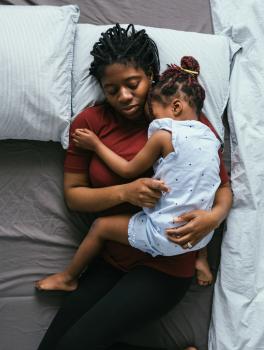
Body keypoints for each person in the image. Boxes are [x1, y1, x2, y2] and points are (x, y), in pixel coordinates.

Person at [36, 24, 232, 350]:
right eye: (112, 90)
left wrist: (214, 218)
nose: (124, 96)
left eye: (133, 84)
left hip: (166, 265)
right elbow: (74, 196)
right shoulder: (89, 126)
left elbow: (222, 186)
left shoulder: (180, 120)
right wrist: (125, 192)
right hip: (112, 257)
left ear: (152, 76)